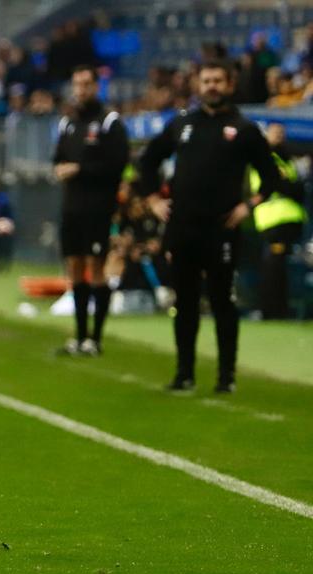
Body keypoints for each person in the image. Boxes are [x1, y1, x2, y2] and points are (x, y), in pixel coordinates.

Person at [136, 60, 281, 393]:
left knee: (221, 302)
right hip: (183, 228)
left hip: (221, 230)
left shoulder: (244, 129)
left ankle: (225, 376)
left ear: (229, 84)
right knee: (184, 301)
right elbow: (148, 160)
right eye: (206, 80)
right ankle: (184, 372)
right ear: (197, 85)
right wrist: (153, 200)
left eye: (218, 80)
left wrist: (248, 205)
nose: (211, 85)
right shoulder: (182, 123)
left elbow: (272, 177)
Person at [52, 65, 130, 356]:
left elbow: (116, 165)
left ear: (96, 86)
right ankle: (78, 335)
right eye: (77, 84)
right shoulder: (67, 123)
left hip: (98, 207)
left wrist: (80, 169)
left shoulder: (109, 122)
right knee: (74, 267)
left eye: (86, 84)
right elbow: (58, 157)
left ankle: (95, 339)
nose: (81, 90)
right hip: (71, 206)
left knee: (96, 266)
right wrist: (60, 168)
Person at [249, 123, 307, 319]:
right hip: (274, 218)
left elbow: (296, 187)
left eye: (282, 133)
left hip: (287, 218)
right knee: (273, 265)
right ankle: (272, 309)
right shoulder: (266, 158)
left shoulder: (285, 159)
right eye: (275, 133)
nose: (280, 137)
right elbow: (282, 186)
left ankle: (277, 307)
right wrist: (292, 188)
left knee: (278, 265)